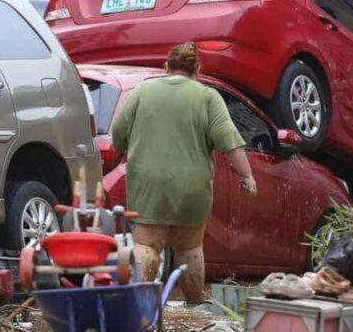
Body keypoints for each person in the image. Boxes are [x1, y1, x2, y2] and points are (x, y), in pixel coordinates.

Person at [110, 42, 257, 303]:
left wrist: (121, 150)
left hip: (148, 185)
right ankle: (194, 306)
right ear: (197, 70)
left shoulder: (143, 91)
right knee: (189, 248)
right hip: (192, 187)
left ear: (166, 67)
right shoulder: (207, 96)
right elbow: (229, 140)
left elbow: (119, 131)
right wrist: (247, 176)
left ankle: (138, 305)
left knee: (146, 245)